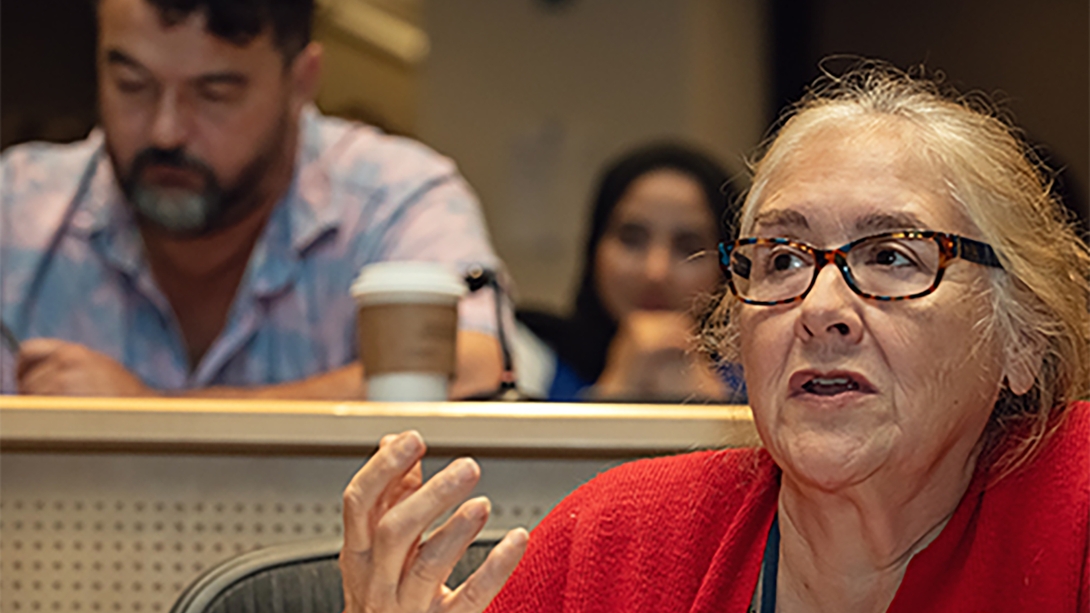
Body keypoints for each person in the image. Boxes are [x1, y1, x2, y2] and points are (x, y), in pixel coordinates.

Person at [337, 62, 1090, 612]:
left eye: (892, 256)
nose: (821, 306)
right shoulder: (613, 550)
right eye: (784, 258)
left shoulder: (1072, 514)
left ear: (1022, 338)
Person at [0, 0, 505, 399]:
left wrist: (149, 412)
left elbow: (470, 368)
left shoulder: (393, 198)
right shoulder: (18, 208)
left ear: (301, 81)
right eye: (132, 85)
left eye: (214, 93)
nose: (166, 131)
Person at [517, 143, 744, 401]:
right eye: (632, 239)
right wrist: (614, 391)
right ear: (594, 248)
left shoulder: (768, 374)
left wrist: (713, 409)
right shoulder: (529, 360)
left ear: (728, 266)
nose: (655, 272)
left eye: (688, 247)